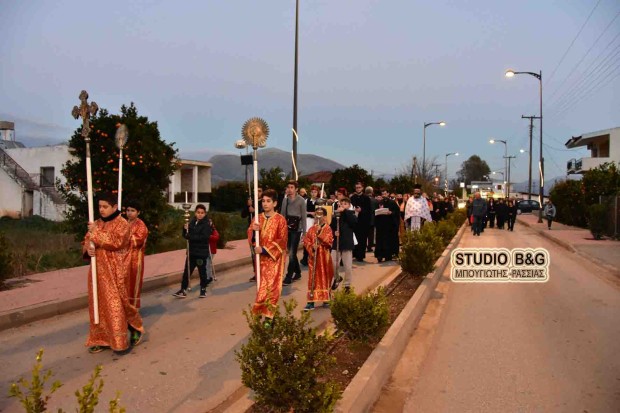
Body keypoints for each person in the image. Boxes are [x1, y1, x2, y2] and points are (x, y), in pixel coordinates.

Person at [83, 192, 143, 354]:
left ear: (114, 207)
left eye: (105, 206)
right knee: (99, 305)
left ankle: (131, 329)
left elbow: (116, 242)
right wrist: (88, 249)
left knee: (118, 304)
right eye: (99, 207)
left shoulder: (122, 223)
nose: (101, 210)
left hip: (116, 270)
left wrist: (95, 233)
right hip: (97, 271)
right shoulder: (96, 223)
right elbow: (87, 240)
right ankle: (101, 339)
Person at [248, 189, 288, 322]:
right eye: (263, 201)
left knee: (272, 287)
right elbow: (251, 236)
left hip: (274, 259)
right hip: (260, 259)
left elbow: (282, 240)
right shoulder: (257, 218)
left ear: (275, 203)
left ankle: (270, 317)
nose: (265, 204)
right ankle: (260, 311)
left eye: (268, 201)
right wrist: (254, 232)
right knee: (261, 286)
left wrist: (265, 249)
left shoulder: (280, 220)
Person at [173, 204, 212, 299]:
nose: (200, 214)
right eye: (198, 212)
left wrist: (190, 237)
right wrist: (185, 229)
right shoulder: (192, 222)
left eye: (202, 213)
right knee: (187, 272)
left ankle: (203, 289)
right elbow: (185, 235)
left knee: (202, 272)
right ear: (195, 213)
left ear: (205, 214)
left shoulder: (206, 224)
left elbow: (203, 237)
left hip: (200, 253)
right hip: (191, 252)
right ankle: (183, 289)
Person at [303, 207, 334, 311]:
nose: (318, 217)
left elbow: (329, 241)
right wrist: (312, 246)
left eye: (321, 214)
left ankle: (326, 298)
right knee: (313, 278)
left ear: (325, 217)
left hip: (324, 257)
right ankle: (311, 301)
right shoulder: (311, 229)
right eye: (317, 214)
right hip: (314, 257)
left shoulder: (327, 228)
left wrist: (320, 234)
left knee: (325, 277)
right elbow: (306, 240)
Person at [281, 181, 307, 285]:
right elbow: (282, 215)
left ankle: (289, 276)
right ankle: (298, 272)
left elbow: (304, 217)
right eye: (288, 187)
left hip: (297, 229)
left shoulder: (301, 200)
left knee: (292, 253)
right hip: (287, 228)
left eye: (292, 187)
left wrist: (304, 232)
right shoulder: (285, 200)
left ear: (296, 189)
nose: (290, 189)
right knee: (292, 252)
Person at [124, 199, 148, 309]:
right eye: (128, 210)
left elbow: (137, 240)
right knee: (124, 283)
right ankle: (125, 308)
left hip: (135, 260)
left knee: (134, 283)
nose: (129, 213)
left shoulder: (141, 225)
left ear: (138, 212)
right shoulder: (124, 223)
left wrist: (122, 238)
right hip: (124, 259)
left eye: (132, 210)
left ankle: (134, 308)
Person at [331, 197, 357, 292]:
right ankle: (337, 278)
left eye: (345, 204)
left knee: (347, 266)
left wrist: (345, 211)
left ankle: (347, 285)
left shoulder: (351, 214)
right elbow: (332, 226)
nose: (343, 206)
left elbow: (353, 223)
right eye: (341, 204)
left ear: (349, 205)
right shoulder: (336, 214)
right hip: (336, 242)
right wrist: (334, 232)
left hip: (346, 242)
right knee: (333, 263)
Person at [375, 189, 400, 262]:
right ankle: (380, 255)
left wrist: (391, 212)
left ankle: (388, 255)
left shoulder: (392, 202)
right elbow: (376, 212)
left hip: (390, 225)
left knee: (389, 240)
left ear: (388, 194)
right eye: (382, 194)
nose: (384, 195)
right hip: (381, 225)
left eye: (385, 194)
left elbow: (397, 212)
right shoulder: (380, 203)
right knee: (380, 241)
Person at [350, 181, 372, 262]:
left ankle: (361, 255)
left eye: (359, 187)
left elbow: (369, 210)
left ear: (362, 188)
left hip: (363, 222)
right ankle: (354, 254)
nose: (358, 189)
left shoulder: (366, 198)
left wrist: (361, 210)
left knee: (362, 239)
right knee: (355, 238)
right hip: (355, 221)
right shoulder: (352, 198)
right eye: (356, 187)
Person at [300, 185, 320, 266]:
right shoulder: (306, 200)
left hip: (317, 222)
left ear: (318, 193)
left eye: (315, 192)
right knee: (307, 240)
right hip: (308, 221)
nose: (313, 193)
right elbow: (303, 211)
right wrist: (310, 213)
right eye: (312, 192)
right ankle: (305, 258)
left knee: (316, 240)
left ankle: (315, 259)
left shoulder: (320, 201)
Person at [366, 186, 378, 252]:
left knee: (364, 234)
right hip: (372, 220)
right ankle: (369, 247)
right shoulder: (375, 200)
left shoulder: (363, 199)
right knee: (371, 234)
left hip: (364, 220)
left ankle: (364, 246)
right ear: (372, 192)